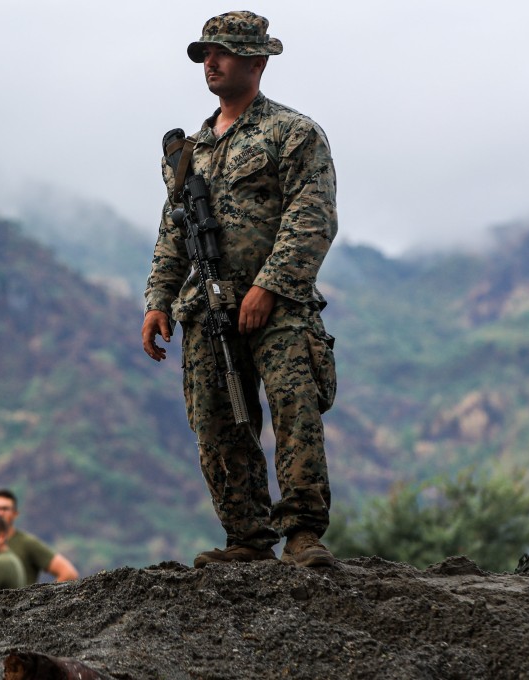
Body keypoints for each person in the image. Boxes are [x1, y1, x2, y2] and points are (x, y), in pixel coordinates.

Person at [142, 11, 339, 569]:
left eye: (223, 52)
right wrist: (158, 299)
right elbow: (173, 228)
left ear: (258, 61)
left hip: (278, 309)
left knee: (294, 414)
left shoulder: (292, 133)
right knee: (217, 422)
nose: (211, 61)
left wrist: (270, 287)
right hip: (204, 307)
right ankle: (247, 537)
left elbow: (313, 215)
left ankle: (302, 534)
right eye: (206, 52)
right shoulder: (191, 150)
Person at [0, 489, 79, 583]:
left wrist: (44, 601)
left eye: (4, 509)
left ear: (15, 514)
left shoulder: (27, 543)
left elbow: (68, 573)